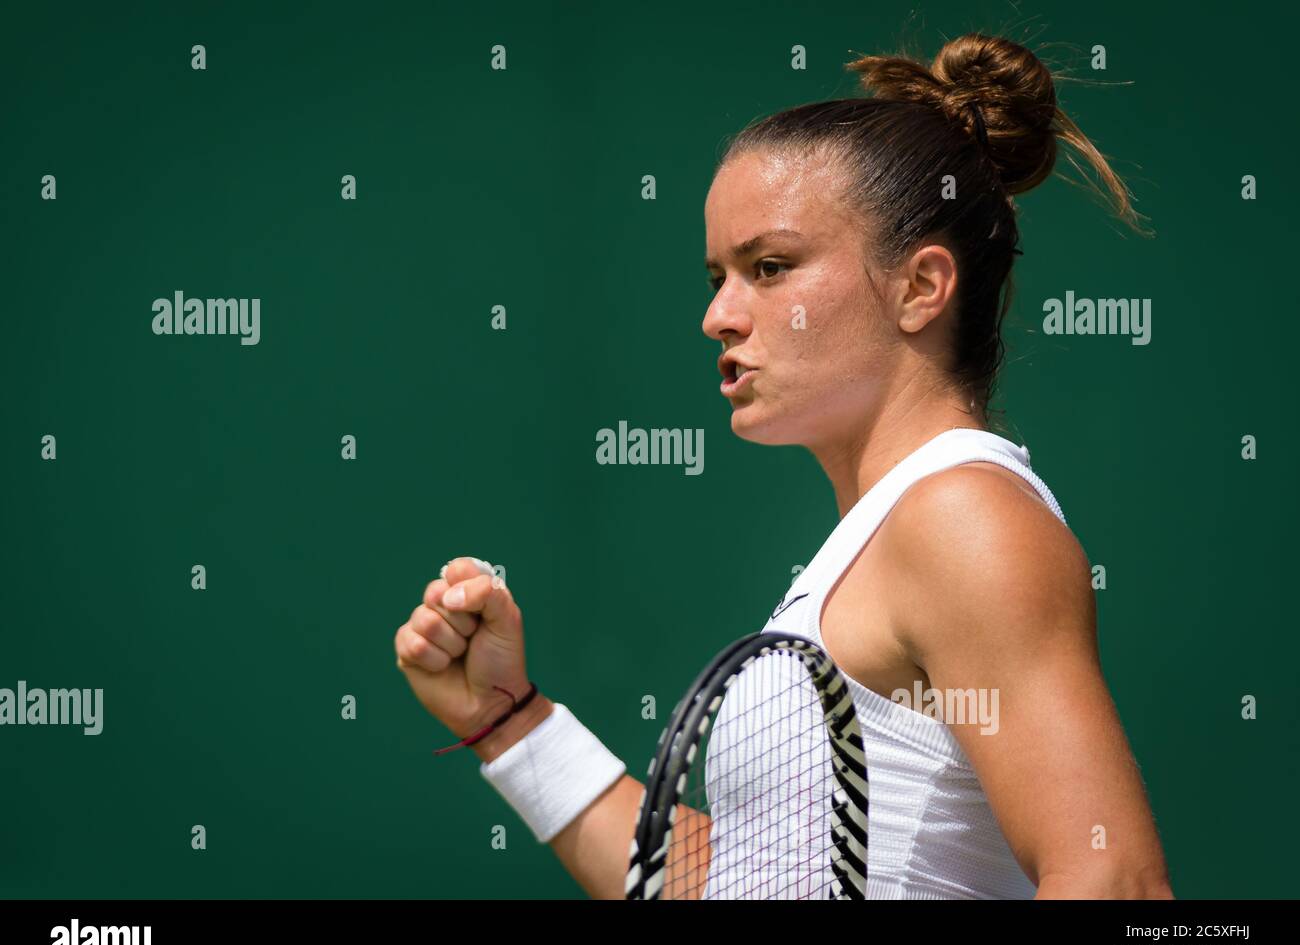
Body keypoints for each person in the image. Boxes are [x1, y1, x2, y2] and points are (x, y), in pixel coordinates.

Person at [393, 32, 1173, 900]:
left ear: (921, 287)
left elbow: (1116, 883)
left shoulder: (962, 516)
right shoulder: (879, 543)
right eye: (717, 276)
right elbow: (738, 884)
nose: (719, 315)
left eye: (770, 267)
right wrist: (511, 724)